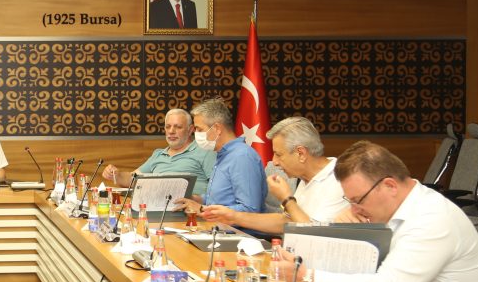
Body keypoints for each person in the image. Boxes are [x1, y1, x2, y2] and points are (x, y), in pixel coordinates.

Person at [271, 140, 478, 282]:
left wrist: (306, 277)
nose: (353, 209)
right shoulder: (395, 209)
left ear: (390, 186)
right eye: (349, 201)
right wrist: (342, 234)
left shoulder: (432, 217)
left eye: (358, 200)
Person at [199, 117, 350, 234]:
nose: (274, 162)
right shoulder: (305, 178)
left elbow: (313, 234)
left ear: (301, 153)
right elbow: (287, 221)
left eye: (279, 154)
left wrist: (287, 200)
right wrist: (233, 216)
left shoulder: (339, 179)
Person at [179, 98, 267, 219]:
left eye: (200, 129)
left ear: (217, 128)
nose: (196, 134)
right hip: (218, 225)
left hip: (237, 230)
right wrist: (196, 199)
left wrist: (201, 209)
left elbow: (250, 210)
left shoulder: (242, 156)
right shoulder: (223, 154)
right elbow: (221, 199)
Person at [102, 108, 215, 195]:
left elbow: (217, 188)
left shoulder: (205, 151)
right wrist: (116, 175)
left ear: (190, 130)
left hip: (190, 211)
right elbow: (133, 179)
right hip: (157, 207)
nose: (171, 131)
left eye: (178, 127)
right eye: (168, 127)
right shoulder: (158, 154)